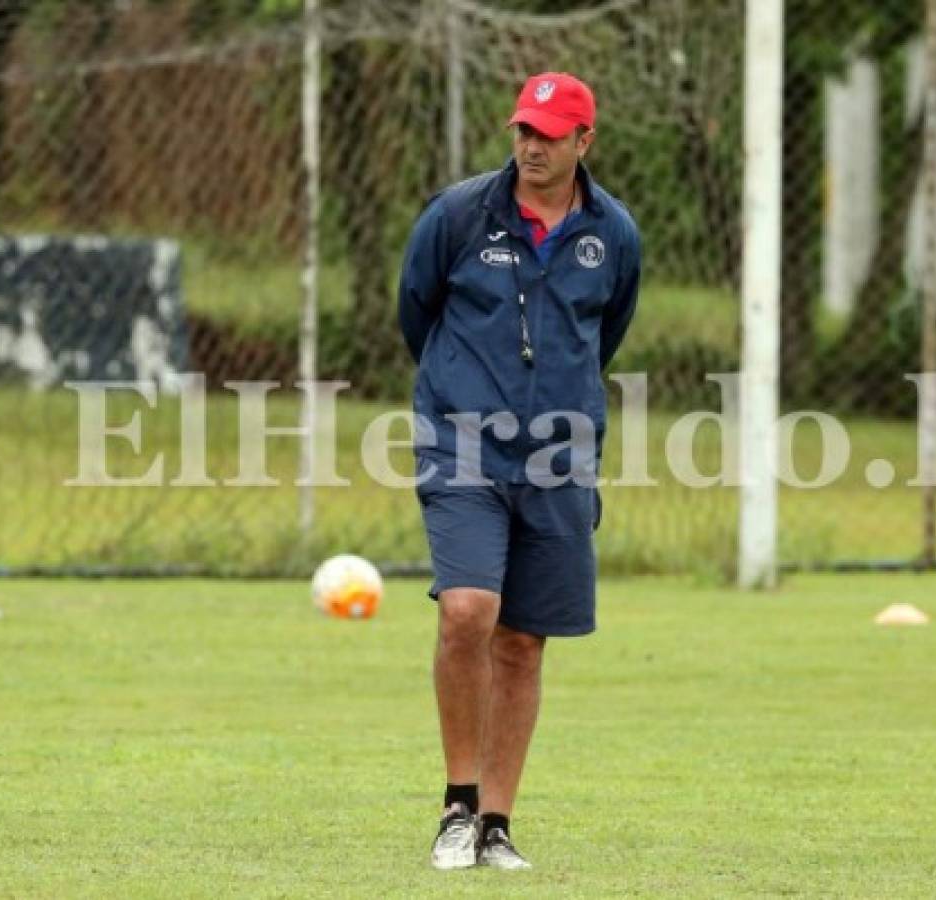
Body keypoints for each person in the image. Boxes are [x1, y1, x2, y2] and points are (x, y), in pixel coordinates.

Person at [398, 72, 641, 869]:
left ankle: (498, 823)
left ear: (584, 142)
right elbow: (416, 310)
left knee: (524, 643)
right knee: (467, 609)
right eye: (522, 131)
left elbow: (601, 335)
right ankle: (457, 807)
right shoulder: (460, 214)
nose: (530, 147)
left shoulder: (615, 234)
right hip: (462, 440)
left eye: (548, 134)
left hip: (559, 454)